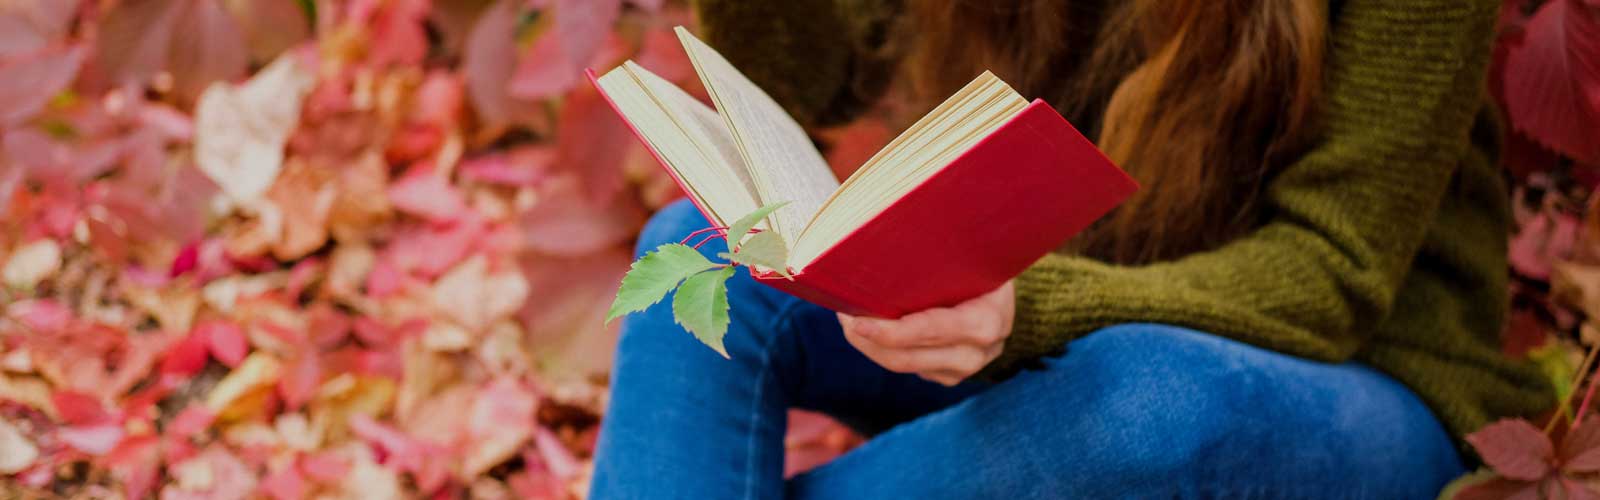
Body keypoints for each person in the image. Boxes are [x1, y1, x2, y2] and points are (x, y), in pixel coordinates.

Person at [589, 0, 1556, 497]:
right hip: (1045, 334)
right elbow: (817, 80)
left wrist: (1032, 308)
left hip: (1362, 386)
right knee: (704, 252)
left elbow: (1331, 276)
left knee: (1142, 399)